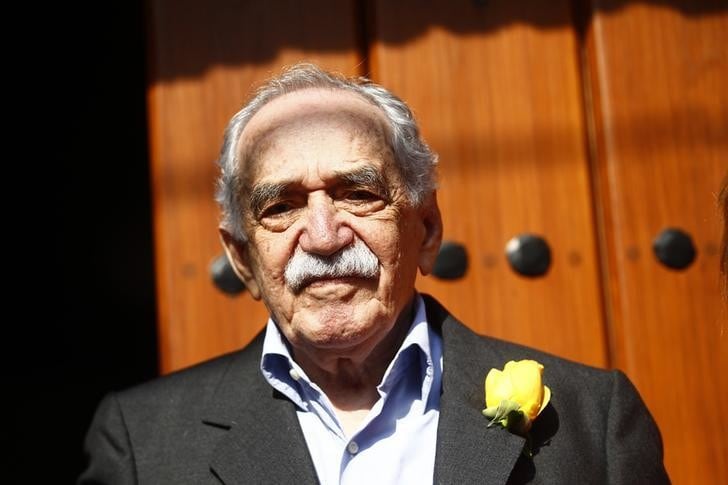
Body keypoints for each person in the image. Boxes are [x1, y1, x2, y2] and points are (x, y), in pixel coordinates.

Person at [79, 63, 669, 484]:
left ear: (428, 230)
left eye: (358, 194)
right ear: (242, 260)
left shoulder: (593, 418)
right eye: (280, 207)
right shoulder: (143, 444)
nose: (325, 236)